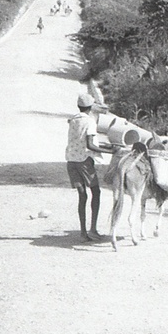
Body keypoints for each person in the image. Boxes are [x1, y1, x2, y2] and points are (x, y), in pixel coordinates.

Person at [65, 93, 114, 241]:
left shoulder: (73, 120)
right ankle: (93, 229)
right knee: (96, 193)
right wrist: (110, 150)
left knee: (82, 196)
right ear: (91, 107)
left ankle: (83, 233)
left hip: (71, 160)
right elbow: (90, 145)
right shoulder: (90, 121)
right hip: (84, 161)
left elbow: (80, 139)